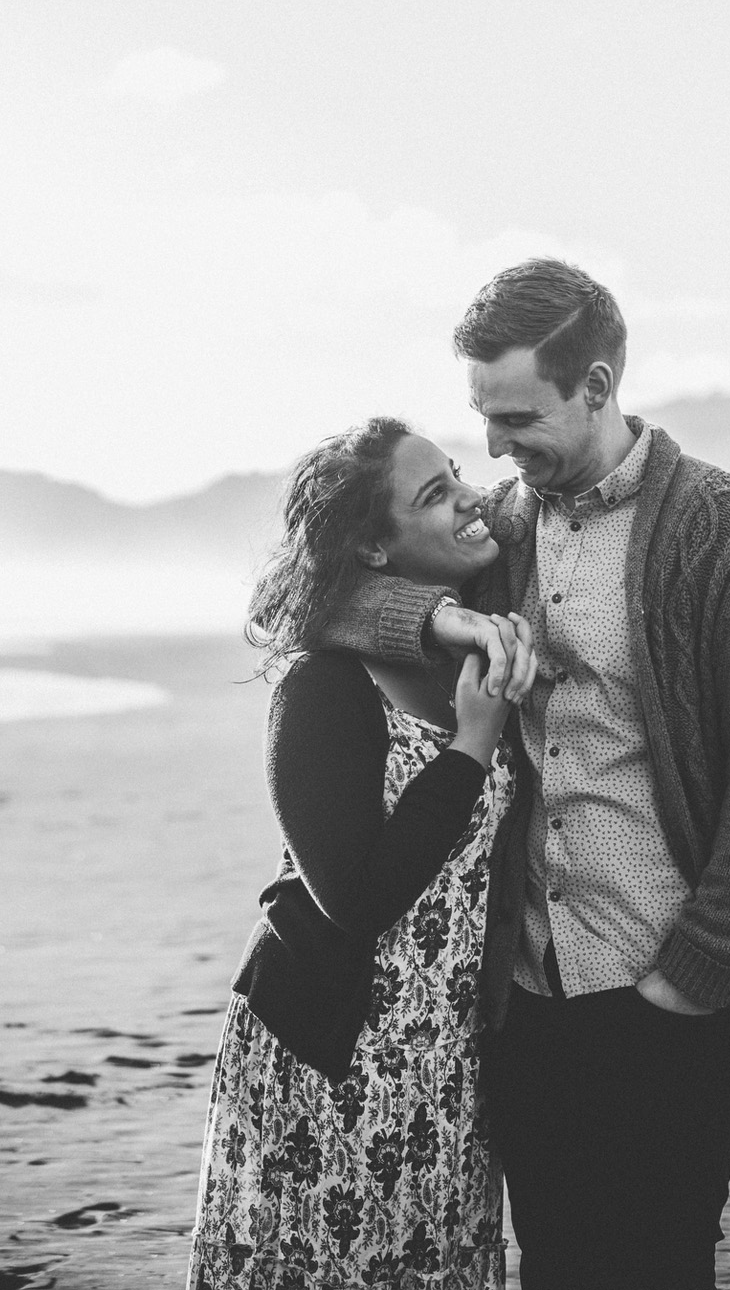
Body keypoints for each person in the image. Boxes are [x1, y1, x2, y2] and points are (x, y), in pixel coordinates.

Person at [320, 259, 730, 1289]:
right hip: (527, 995)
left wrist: (695, 975)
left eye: (518, 419)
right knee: (555, 1264)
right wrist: (440, 615)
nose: (496, 448)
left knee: (661, 1265)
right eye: (483, 420)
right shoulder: (499, 531)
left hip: (677, 990)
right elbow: (318, 598)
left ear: (596, 387)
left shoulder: (726, 530)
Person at [186, 417, 538, 1289]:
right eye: (433, 494)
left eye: (455, 473)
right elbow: (354, 895)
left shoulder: (460, 646)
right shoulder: (323, 685)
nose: (465, 495)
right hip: (328, 1063)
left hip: (445, 1065)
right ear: (375, 550)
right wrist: (470, 748)